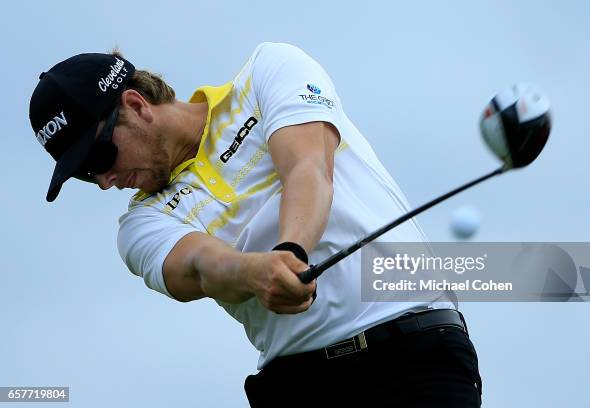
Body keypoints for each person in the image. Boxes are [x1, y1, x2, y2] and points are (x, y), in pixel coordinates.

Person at [29, 42, 482, 407]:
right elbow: (202, 267)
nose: (105, 181)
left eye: (98, 157)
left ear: (135, 104)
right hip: (301, 388)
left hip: (418, 357)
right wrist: (255, 272)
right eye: (86, 176)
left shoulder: (267, 72)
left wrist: (292, 251)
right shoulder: (140, 224)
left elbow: (308, 168)